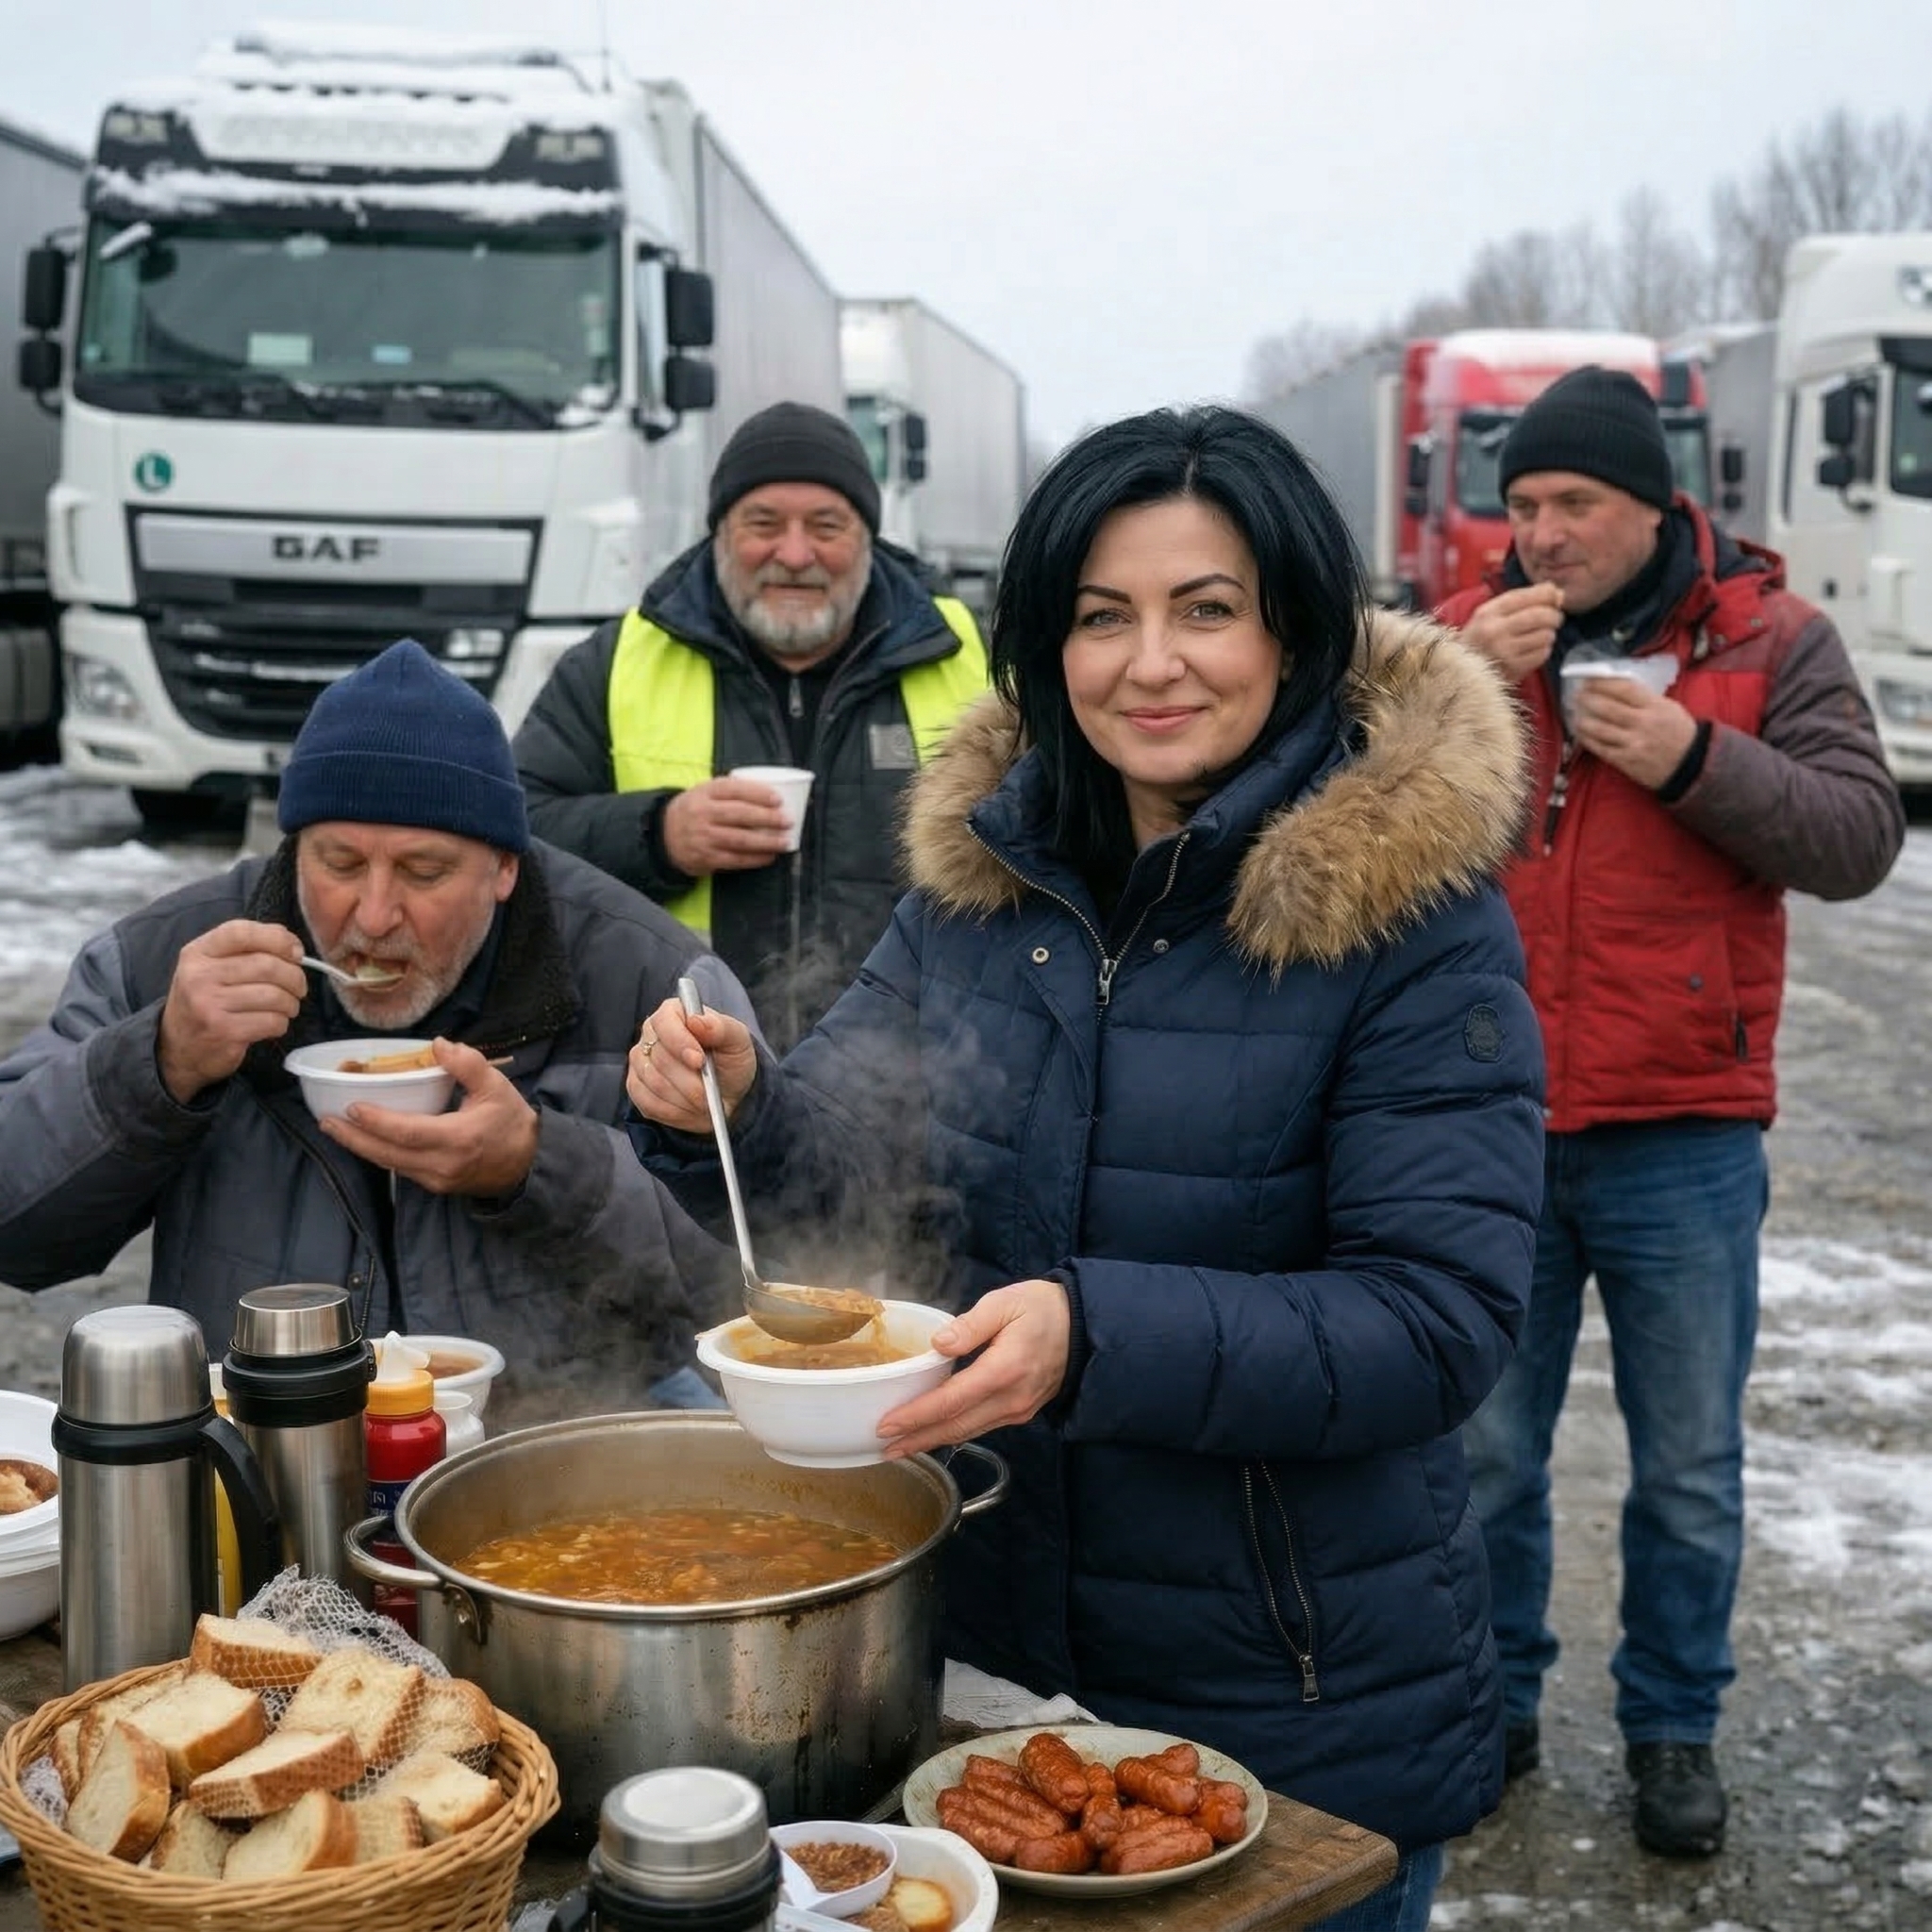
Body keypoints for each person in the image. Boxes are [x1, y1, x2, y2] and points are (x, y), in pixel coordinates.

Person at [626, 405, 1547, 1930]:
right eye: (1100, 616)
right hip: (995, 1683)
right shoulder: (984, 882)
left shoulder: (1409, 920)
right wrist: (724, 1102)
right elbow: (841, 1181)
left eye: (1206, 610)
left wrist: (1091, 1334)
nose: (1150, 663)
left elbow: (1432, 1322)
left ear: (1296, 629)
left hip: (1286, 1697)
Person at [1439, 367, 1906, 1857]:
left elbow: (1857, 837)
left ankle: (1672, 1727)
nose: (1544, 535)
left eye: (1575, 504)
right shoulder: (1469, 641)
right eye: (1522, 507)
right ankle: (1495, 1701)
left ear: (1654, 505)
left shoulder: (1772, 638)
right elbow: (1346, 803)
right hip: (1497, 1120)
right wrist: (1455, 676)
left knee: (1690, 1466)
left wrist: (1695, 758)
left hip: (1684, 1128)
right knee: (1488, 1455)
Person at [0, 639, 753, 1424]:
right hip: (256, 1453)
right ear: (294, 848)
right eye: (339, 863)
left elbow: (752, 1280)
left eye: (424, 872)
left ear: (504, 868)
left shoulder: (645, 975)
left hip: (552, 1468)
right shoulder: (166, 961)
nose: (373, 915)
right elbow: (16, 1232)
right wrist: (160, 1061)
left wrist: (537, 1166)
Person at [513, 400, 991, 1051]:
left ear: (869, 540)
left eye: (827, 525)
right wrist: (659, 835)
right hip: (676, 1070)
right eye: (762, 523)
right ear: (719, 535)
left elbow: (1057, 843)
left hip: (912, 1081)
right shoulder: (619, 660)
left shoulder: (970, 662)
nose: (794, 555)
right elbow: (514, 836)